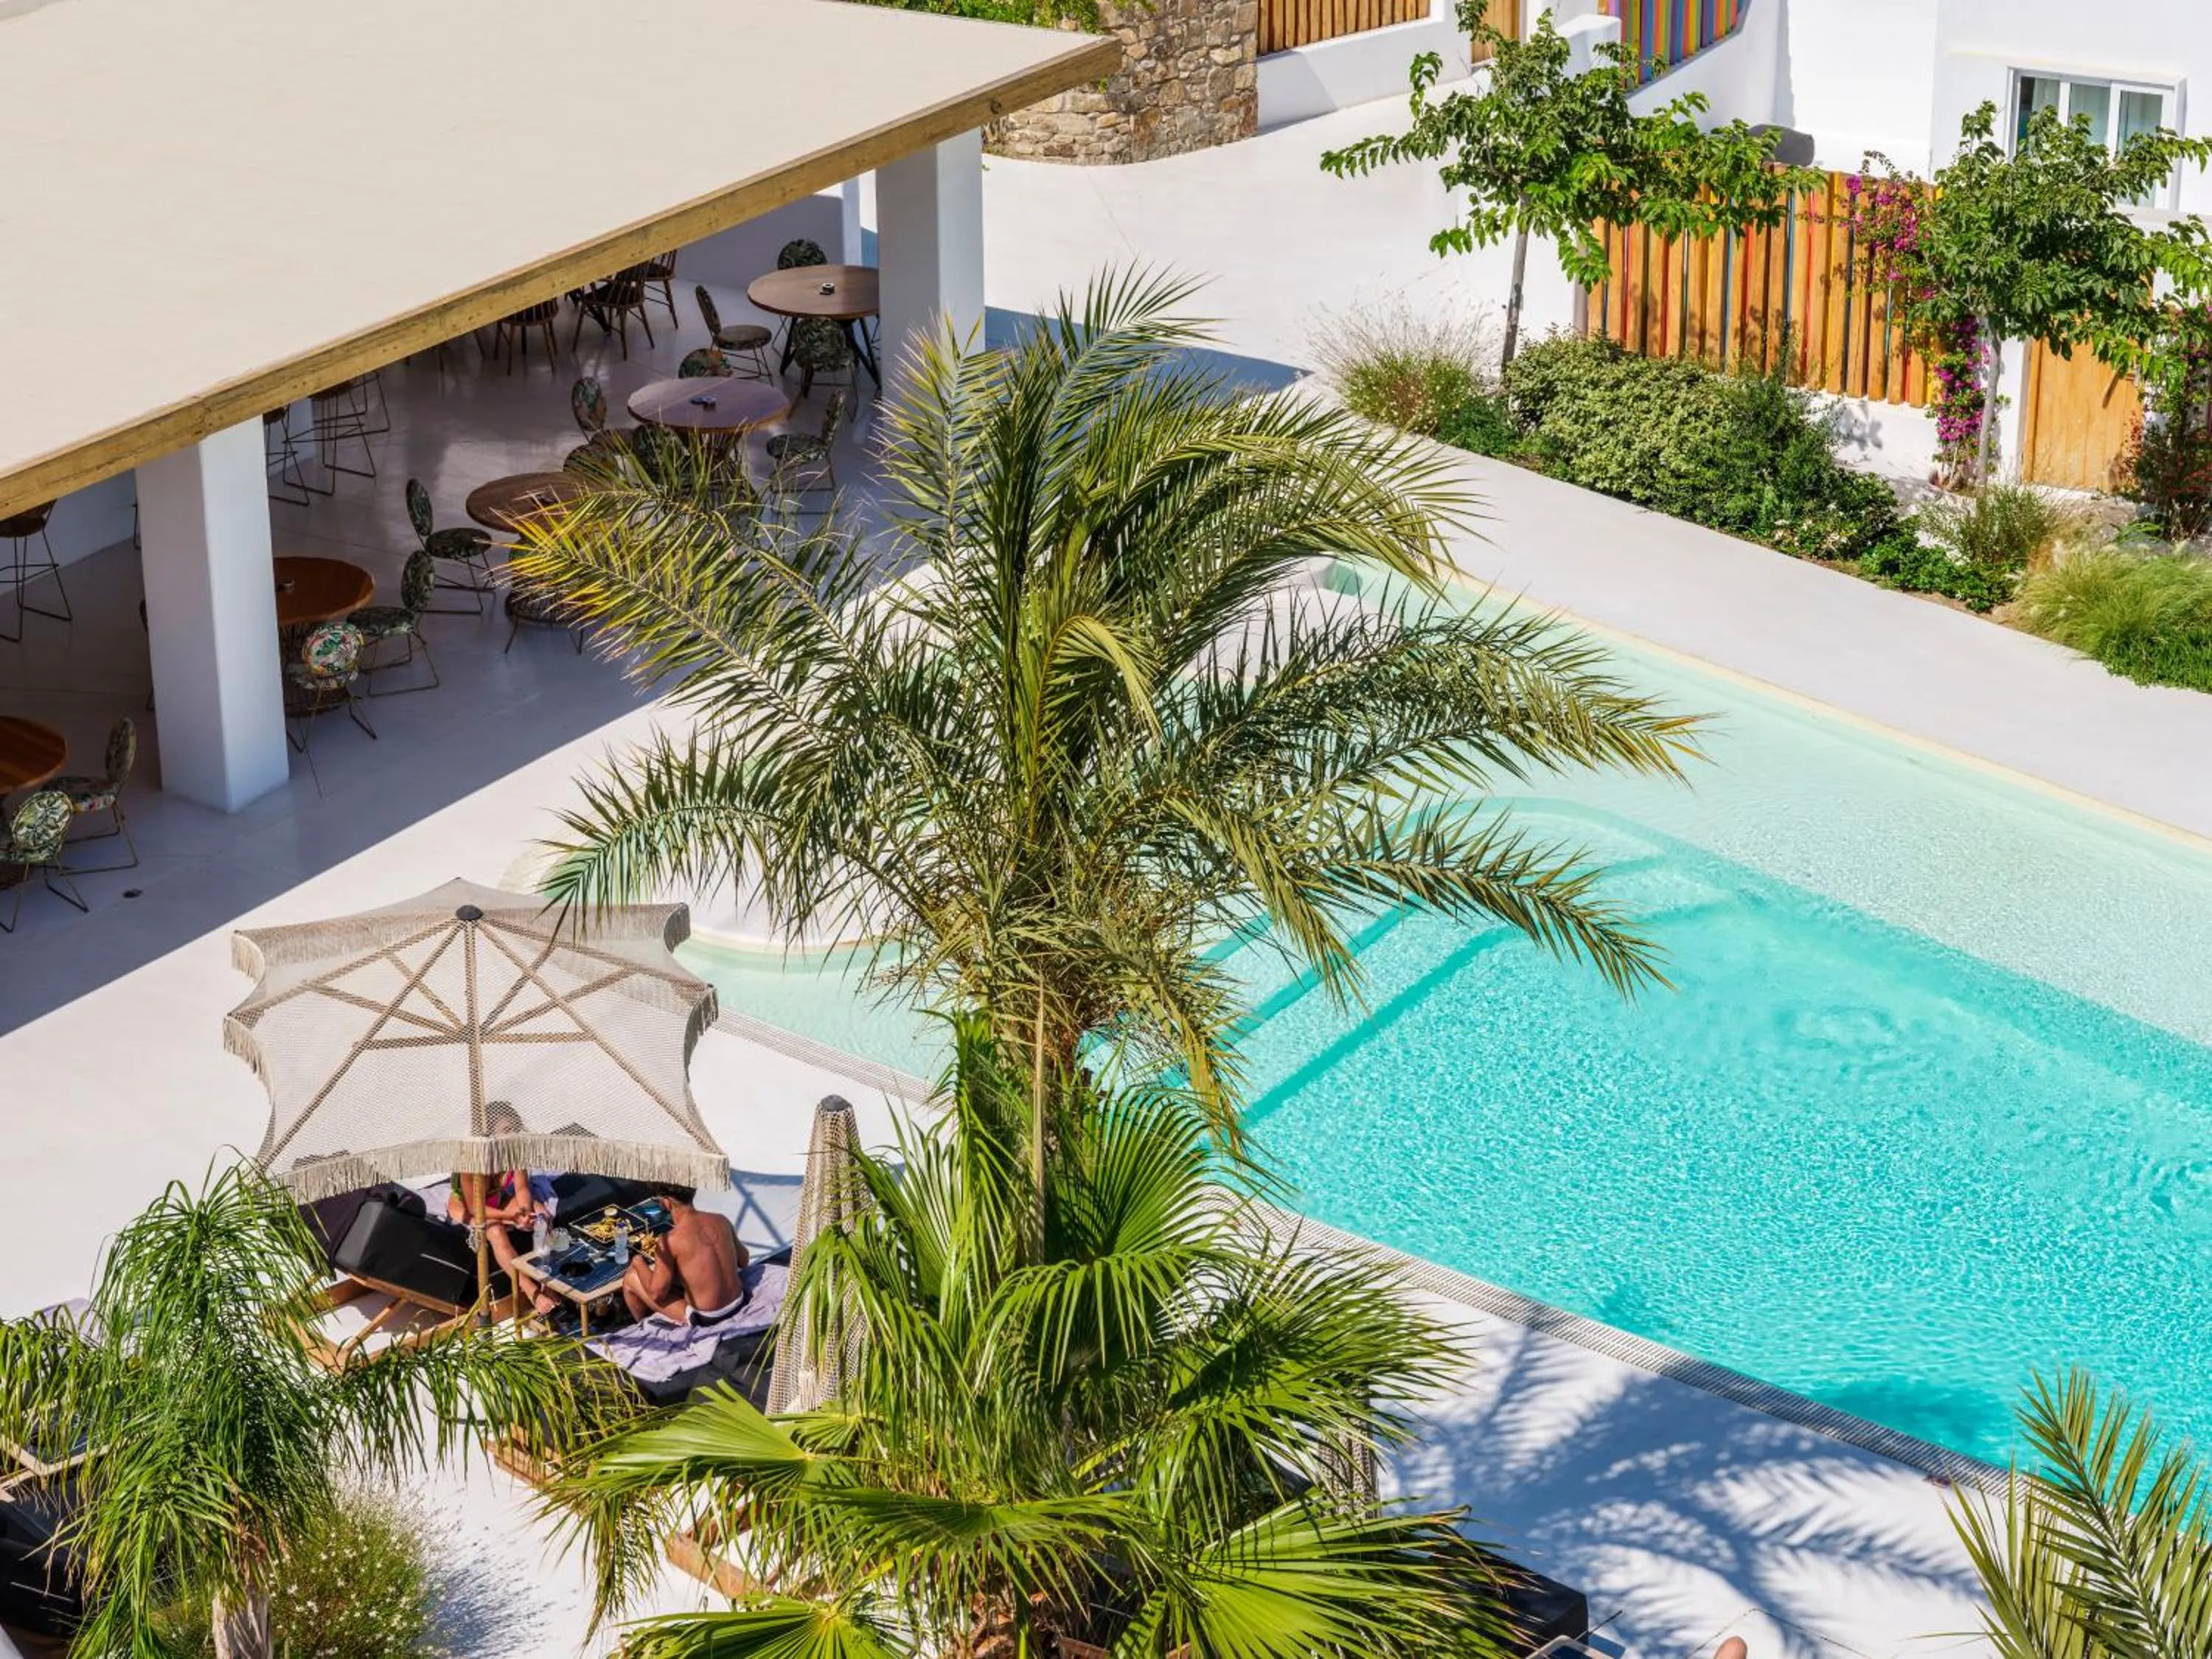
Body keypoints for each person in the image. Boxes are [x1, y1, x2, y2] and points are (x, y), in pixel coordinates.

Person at [621, 1186, 748, 1327]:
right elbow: (744, 1261)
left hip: (708, 1317)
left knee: (631, 1278)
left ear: (667, 1203)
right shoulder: (721, 1220)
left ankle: (643, 1328)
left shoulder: (670, 1240)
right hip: (739, 1300)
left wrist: (637, 1261)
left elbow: (656, 1295)